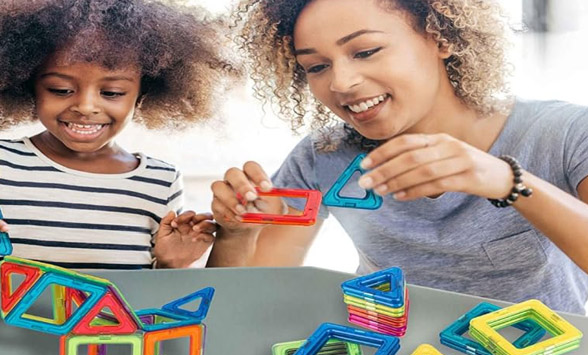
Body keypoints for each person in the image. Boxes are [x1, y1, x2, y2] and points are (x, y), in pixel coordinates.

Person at [208, 0, 588, 314]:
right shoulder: (321, 157)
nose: (341, 83)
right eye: (317, 67)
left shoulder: (565, 133)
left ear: (440, 38)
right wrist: (236, 235)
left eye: (366, 51)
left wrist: (507, 180)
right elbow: (256, 302)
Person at [0, 0, 233, 274]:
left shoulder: (161, 180)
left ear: (144, 94)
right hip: (5, 335)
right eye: (61, 90)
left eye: (112, 92)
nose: (86, 107)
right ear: (27, 85)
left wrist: (170, 263)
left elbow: (153, 289)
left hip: (114, 337)